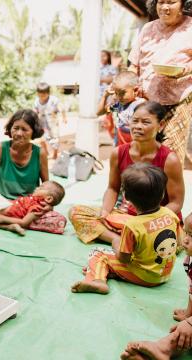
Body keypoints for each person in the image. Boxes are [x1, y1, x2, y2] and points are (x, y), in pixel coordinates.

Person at [69, 101, 184, 245]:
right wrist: (105, 212)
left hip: (156, 221)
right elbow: (113, 188)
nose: (137, 126)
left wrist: (147, 222)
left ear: (160, 126)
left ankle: (130, 239)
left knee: (170, 241)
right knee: (76, 212)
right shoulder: (118, 153)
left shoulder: (169, 159)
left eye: (145, 122)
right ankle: (118, 239)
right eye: (134, 121)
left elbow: (176, 202)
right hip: (126, 217)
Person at [71, 163, 180, 295]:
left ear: (126, 197)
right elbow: (177, 242)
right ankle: (109, 271)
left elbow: (124, 259)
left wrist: (116, 243)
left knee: (98, 254)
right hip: (164, 273)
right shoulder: (170, 214)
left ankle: (98, 281)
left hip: (146, 277)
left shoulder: (132, 226)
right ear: (163, 194)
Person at [0, 109, 67, 235]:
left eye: (24, 129)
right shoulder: (1, 147)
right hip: (1, 201)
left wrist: (48, 206)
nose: (19, 133)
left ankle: (0, 221)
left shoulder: (40, 153)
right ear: (10, 129)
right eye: (15, 128)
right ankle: (10, 225)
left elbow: (47, 185)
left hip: (28, 206)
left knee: (59, 220)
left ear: (33, 132)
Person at [128, 0, 192, 165]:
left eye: (171, 2)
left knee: (171, 156)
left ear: (182, 4)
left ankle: (169, 190)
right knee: (143, 155)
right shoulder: (148, 28)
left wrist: (184, 70)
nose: (165, 7)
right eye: (161, 2)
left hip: (179, 102)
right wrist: (130, 82)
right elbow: (134, 64)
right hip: (148, 102)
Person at [121, 214, 192, 360]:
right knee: (184, 332)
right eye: (186, 232)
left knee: (186, 330)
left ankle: (164, 348)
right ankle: (164, 350)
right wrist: (188, 315)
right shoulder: (189, 260)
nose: (185, 239)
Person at [0, 181, 65, 236]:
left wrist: (4, 219)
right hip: (7, 206)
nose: (37, 188)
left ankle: (9, 227)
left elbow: (24, 223)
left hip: (5, 213)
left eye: (41, 187)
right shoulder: (33, 199)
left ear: (48, 199)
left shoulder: (38, 208)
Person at [97, 71, 146, 146]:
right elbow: (99, 112)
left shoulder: (140, 106)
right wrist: (105, 96)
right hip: (120, 145)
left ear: (135, 90)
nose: (118, 97)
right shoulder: (118, 106)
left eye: (122, 93)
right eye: (116, 93)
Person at [33, 82, 67, 160]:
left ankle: (55, 154)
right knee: (42, 138)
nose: (42, 97)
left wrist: (64, 117)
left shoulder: (54, 100)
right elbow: (35, 110)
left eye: (44, 95)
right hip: (42, 122)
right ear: (37, 94)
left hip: (52, 121)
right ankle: (46, 152)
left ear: (48, 93)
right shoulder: (37, 101)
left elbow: (61, 108)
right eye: (40, 95)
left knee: (54, 138)